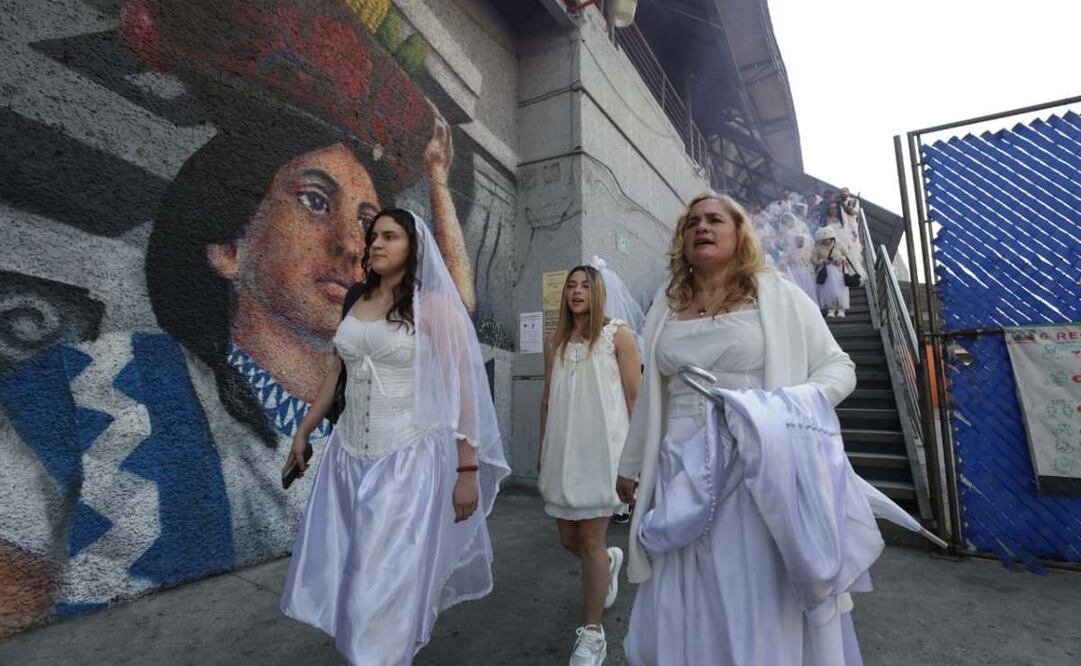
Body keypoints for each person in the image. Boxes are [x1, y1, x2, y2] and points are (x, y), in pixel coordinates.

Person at [616, 194, 861, 665]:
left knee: (749, 583)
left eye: (714, 220)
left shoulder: (778, 293)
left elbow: (839, 367)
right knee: (688, 586)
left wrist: (781, 411)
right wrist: (630, 466)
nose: (701, 228)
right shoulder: (667, 306)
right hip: (677, 473)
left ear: (739, 232)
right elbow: (652, 397)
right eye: (691, 223)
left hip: (755, 467)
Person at [280, 208, 509, 665]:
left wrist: (467, 468)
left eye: (390, 236)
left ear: (412, 247)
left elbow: (462, 389)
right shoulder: (355, 299)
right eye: (373, 237)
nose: (377, 244)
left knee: (381, 583)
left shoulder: (434, 306)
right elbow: (337, 373)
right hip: (346, 458)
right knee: (350, 575)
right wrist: (303, 432)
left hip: (405, 459)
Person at [538, 265, 642, 666]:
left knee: (592, 541)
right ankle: (609, 565)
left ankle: (593, 633)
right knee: (570, 541)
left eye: (585, 286)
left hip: (605, 450)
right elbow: (548, 397)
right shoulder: (556, 341)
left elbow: (636, 398)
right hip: (564, 451)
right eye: (571, 286)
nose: (577, 292)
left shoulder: (619, 336)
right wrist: (543, 445)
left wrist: (636, 459)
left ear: (598, 293)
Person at [814, 226, 851, 318]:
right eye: (823, 239)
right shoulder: (817, 247)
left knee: (840, 290)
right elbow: (814, 261)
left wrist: (841, 259)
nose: (825, 241)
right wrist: (823, 261)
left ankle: (841, 309)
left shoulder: (838, 244)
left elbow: (847, 255)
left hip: (839, 270)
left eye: (827, 239)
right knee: (828, 291)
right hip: (826, 272)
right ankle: (831, 309)